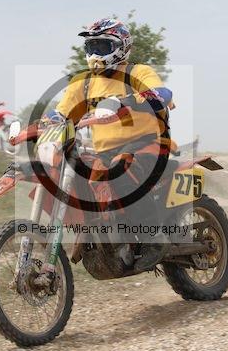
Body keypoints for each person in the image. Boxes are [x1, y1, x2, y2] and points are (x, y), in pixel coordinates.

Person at [53, 18, 174, 271]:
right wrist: (46, 123)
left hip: (146, 143)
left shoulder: (137, 73)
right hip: (104, 151)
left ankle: (154, 238)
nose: (95, 54)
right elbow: (61, 112)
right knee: (90, 182)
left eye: (102, 47)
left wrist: (125, 101)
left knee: (122, 171)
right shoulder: (84, 83)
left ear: (121, 47)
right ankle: (114, 241)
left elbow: (163, 95)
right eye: (91, 47)